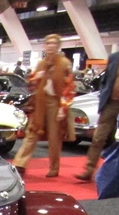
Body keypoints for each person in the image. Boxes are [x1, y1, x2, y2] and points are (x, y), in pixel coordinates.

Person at [75, 26, 119, 182]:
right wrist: (104, 97)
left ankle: (117, 173)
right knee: (98, 138)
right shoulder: (114, 57)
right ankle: (89, 170)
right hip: (110, 104)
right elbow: (106, 80)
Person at [12, 33, 75, 177]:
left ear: (58, 46)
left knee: (54, 136)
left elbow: (69, 87)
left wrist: (63, 107)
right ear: (45, 46)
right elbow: (31, 84)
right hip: (40, 102)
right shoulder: (41, 63)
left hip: (55, 103)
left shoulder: (64, 63)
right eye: (48, 43)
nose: (51, 46)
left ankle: (54, 167)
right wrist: (36, 78)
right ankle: (20, 163)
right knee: (32, 132)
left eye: (54, 43)